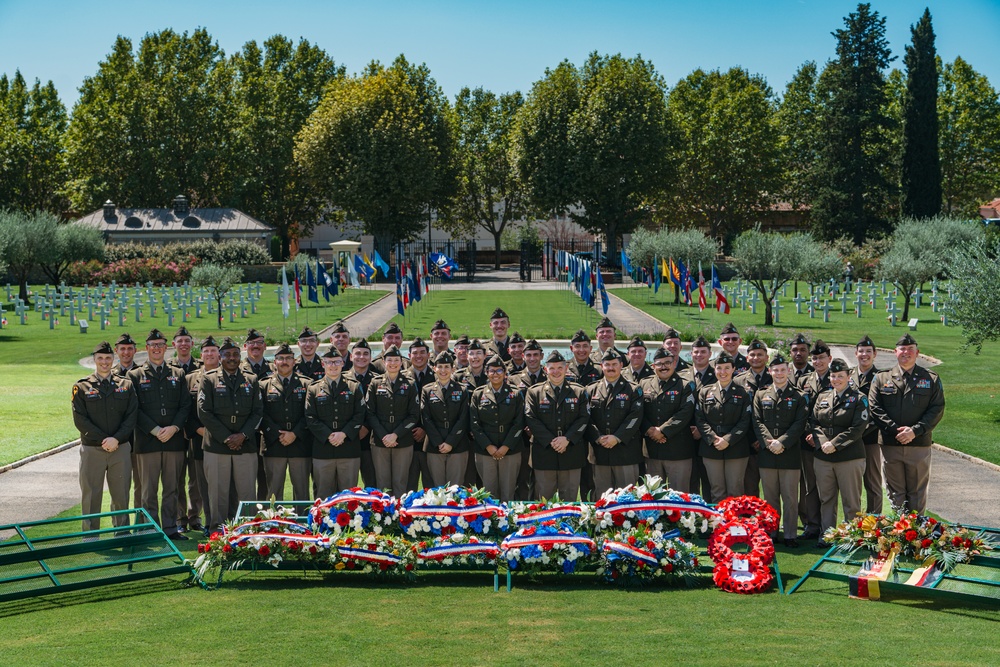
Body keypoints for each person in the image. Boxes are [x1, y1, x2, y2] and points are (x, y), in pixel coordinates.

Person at [869, 334, 945, 514]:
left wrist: (914, 431)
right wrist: (896, 430)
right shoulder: (881, 378)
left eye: (910, 349)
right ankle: (899, 533)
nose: (906, 353)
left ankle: (917, 536)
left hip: (918, 444)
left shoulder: (931, 378)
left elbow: (937, 409)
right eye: (902, 349)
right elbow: (874, 407)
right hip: (891, 444)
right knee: (895, 492)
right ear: (895, 352)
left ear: (917, 353)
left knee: (917, 492)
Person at [128, 329, 192, 540]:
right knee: (148, 491)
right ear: (146, 349)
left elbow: (185, 405)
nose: (156, 349)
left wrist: (174, 428)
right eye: (153, 345)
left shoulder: (178, 373)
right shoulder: (134, 375)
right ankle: (150, 530)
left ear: (166, 348)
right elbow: (133, 408)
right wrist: (155, 430)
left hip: (173, 441)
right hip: (148, 441)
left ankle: (170, 529)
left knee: (172, 489)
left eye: (160, 345)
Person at [197, 337, 263, 531]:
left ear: (240, 356)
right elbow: (203, 412)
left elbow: (258, 411)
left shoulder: (251, 379)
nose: (231, 358)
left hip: (246, 444)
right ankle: (217, 531)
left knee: (247, 492)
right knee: (218, 493)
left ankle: (248, 530)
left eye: (235, 354)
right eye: (227, 354)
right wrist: (227, 437)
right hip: (217, 445)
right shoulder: (209, 379)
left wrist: (242, 435)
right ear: (220, 356)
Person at [72, 341, 138, 533]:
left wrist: (116, 439)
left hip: (120, 448)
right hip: (93, 449)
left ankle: (122, 532)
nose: (104, 362)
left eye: (108, 358)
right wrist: (105, 439)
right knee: (91, 494)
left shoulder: (125, 385)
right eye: (100, 358)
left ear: (113, 359)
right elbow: (80, 420)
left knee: (121, 494)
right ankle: (91, 536)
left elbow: (131, 416)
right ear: (94, 360)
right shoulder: (82, 387)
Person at [809, 359, 869, 545]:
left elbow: (859, 427)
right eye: (833, 376)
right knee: (826, 499)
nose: (836, 379)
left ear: (848, 377)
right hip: (823, 457)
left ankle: (852, 537)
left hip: (849, 457)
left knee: (851, 501)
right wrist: (823, 442)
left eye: (840, 376)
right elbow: (814, 422)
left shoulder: (859, 398)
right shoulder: (822, 397)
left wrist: (834, 443)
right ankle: (827, 535)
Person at [753, 355, 807, 547]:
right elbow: (757, 421)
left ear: (789, 371)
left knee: (790, 497)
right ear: (770, 371)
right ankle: (772, 532)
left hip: (789, 453)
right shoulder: (760, 394)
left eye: (783, 369)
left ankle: (791, 534)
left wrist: (782, 442)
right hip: (767, 454)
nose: (779, 373)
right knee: (770, 497)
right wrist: (769, 443)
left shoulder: (799, 396)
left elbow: (800, 423)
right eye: (775, 370)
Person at [525, 351, 591, 501]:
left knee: (569, 501)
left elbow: (584, 418)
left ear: (566, 368)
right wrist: (551, 441)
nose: (556, 372)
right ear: (545, 369)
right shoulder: (534, 392)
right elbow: (531, 419)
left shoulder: (579, 391)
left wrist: (567, 438)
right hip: (544, 453)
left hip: (571, 452)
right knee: (543, 501)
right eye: (552, 368)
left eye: (559, 368)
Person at [305, 349, 367, 498]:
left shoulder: (354, 386)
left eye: (337, 362)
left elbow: (360, 414)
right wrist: (329, 435)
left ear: (343, 363)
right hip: (323, 450)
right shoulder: (313, 388)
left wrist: (344, 434)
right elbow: (310, 417)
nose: (333, 366)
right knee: (323, 495)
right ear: (323, 364)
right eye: (329, 362)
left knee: (349, 497)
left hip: (348, 449)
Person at [695, 352, 753, 503]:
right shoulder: (704, 392)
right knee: (716, 490)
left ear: (733, 369)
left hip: (736, 447)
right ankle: (719, 525)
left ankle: (735, 525)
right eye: (719, 368)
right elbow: (700, 419)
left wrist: (728, 439)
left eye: (727, 368)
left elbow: (745, 420)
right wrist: (713, 438)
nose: (723, 372)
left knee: (735, 490)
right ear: (714, 370)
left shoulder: (743, 393)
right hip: (711, 447)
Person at [587, 349, 644, 495]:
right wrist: (597, 437)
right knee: (602, 498)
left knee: (627, 500)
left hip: (625, 453)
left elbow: (635, 418)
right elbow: (586, 418)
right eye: (607, 365)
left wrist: (617, 437)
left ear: (621, 366)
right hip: (600, 453)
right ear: (602, 366)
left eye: (614, 364)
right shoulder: (591, 389)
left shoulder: (633, 389)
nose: (610, 368)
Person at [259, 343, 312, 501]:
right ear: (274, 362)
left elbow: (310, 413)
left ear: (294, 361)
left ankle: (302, 525)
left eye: (288, 358)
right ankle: (274, 525)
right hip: (273, 444)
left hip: (300, 444)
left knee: (302, 494)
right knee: (273, 494)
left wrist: (295, 433)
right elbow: (260, 413)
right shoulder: (263, 385)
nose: (284, 362)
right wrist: (278, 434)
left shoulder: (307, 384)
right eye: (280, 358)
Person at [639, 348, 696, 492]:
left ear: (674, 363)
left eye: (667, 363)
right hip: (652, 450)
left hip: (678, 450)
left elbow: (685, 413)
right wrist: (650, 430)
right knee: (653, 496)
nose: (664, 366)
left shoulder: (685, 385)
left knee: (679, 496)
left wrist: (662, 431)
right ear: (653, 366)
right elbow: (638, 411)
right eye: (659, 364)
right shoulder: (644, 384)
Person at [365, 345, 419, 497]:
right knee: (382, 484)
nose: (393, 363)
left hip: (403, 440)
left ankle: (400, 518)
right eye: (390, 360)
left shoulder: (410, 384)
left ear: (402, 362)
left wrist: (395, 434)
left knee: (400, 482)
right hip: (379, 441)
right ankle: (385, 518)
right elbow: (370, 413)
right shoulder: (375, 383)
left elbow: (414, 415)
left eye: (396, 360)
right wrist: (384, 435)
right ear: (383, 361)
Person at [469, 354, 525, 501]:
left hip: (510, 450)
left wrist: (506, 446)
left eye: (499, 371)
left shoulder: (516, 394)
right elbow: (474, 424)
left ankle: (509, 522)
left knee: (508, 492)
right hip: (486, 450)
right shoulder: (478, 394)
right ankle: (491, 522)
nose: (495, 374)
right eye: (492, 371)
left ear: (505, 373)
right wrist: (489, 446)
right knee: (488, 493)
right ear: (487, 373)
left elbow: (519, 423)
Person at [167, 326, 202, 533]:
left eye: (187, 341)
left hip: (197, 432)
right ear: (174, 345)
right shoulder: (168, 367)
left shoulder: (201, 366)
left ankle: (194, 515)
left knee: (196, 477)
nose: (183, 344)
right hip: (177, 431)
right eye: (179, 341)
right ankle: (180, 517)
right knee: (178, 477)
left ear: (191, 344)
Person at [796, 339, 832, 540]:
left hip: (828, 442)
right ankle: (812, 524)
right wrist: (809, 433)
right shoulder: (804, 381)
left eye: (821, 358)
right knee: (810, 486)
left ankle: (829, 527)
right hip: (807, 443)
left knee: (827, 488)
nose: (818, 361)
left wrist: (820, 435)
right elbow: (801, 411)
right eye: (815, 358)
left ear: (830, 358)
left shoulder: (837, 378)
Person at [183, 336, 219, 533]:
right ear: (201, 354)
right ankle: (208, 522)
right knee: (202, 484)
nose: (209, 354)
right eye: (206, 351)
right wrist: (198, 429)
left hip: (222, 440)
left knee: (221, 484)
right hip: (199, 439)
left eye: (213, 351)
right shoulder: (190, 378)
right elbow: (185, 409)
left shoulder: (228, 374)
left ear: (218, 353)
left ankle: (222, 521)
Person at [420, 351, 471, 487]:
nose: (443, 370)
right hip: (434, 445)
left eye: (447, 367)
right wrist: (438, 442)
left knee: (455, 489)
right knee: (436, 489)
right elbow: (426, 417)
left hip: (458, 444)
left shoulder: (462, 390)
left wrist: (450, 442)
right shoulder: (427, 390)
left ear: (453, 368)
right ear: (434, 368)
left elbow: (463, 418)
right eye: (440, 367)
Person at [850, 335, 882, 514]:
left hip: (870, 437)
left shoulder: (882, 377)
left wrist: (862, 430)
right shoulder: (847, 375)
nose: (864, 354)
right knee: (851, 485)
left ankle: (875, 521)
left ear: (875, 354)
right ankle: (855, 523)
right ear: (855, 353)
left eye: (868, 351)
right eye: (861, 351)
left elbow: (882, 409)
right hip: (850, 439)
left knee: (873, 482)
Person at [736, 339, 772, 498]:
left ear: (767, 358)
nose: (756, 358)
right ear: (747, 358)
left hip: (772, 442)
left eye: (760, 355)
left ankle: (770, 522)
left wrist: (764, 438)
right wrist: (753, 438)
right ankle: (749, 522)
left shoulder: (776, 378)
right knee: (749, 488)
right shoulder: (738, 381)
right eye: (753, 355)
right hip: (747, 442)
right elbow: (738, 414)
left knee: (772, 490)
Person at [113, 332, 142, 510]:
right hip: (120, 439)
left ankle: (142, 525)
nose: (126, 352)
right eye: (122, 349)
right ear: (116, 351)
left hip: (140, 438)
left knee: (142, 486)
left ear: (135, 350)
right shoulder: (110, 374)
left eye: (129, 349)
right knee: (119, 487)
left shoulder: (143, 372)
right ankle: (120, 527)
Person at [684, 335, 716, 497]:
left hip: (709, 436)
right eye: (696, 352)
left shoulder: (718, 375)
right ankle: (692, 518)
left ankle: (710, 518)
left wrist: (702, 430)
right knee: (690, 481)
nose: (699, 355)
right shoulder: (682, 375)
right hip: (685, 435)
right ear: (691, 354)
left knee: (710, 481)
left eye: (703, 352)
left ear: (710, 354)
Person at [347, 338, 379, 488]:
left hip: (371, 439)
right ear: (351, 357)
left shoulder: (378, 379)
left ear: (371, 357)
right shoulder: (342, 378)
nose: (361, 357)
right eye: (357, 353)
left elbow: (380, 408)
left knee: (372, 483)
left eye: (365, 354)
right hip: (347, 438)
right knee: (346, 486)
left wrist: (366, 426)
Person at [406, 337, 434, 491]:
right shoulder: (402, 376)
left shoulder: (438, 376)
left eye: (422, 352)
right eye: (415, 353)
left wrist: (424, 428)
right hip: (406, 439)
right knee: (408, 486)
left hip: (430, 440)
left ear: (428, 355)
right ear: (409, 356)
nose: (419, 356)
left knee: (431, 486)